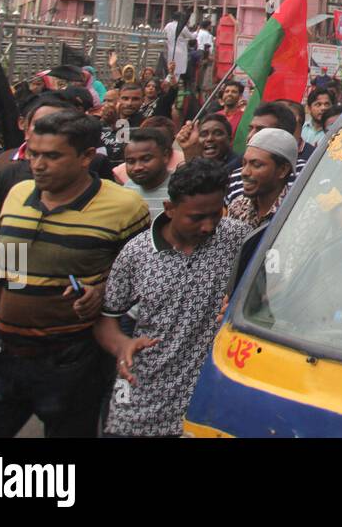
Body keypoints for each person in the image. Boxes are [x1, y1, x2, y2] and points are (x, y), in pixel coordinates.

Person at [0, 110, 149, 437]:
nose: (38, 164)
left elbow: (137, 277)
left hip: (74, 365)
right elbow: (1, 271)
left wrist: (100, 291)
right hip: (7, 355)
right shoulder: (16, 195)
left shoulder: (126, 207)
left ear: (86, 156)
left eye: (52, 156)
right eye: (34, 153)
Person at [96, 158, 250, 437]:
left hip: (204, 402)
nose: (208, 226)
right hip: (141, 397)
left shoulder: (237, 238)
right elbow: (107, 321)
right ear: (169, 209)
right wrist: (122, 345)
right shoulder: (136, 254)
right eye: (196, 217)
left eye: (215, 214)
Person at [226, 127, 297, 227]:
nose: (244, 172)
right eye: (244, 163)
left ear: (283, 170)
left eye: (256, 165)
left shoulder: (298, 212)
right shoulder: (238, 206)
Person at [101, 82, 145, 169]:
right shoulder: (106, 118)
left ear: (142, 101)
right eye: (125, 98)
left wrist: (113, 124)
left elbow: (128, 150)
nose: (129, 103)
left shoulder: (144, 123)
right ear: (118, 99)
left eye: (135, 99)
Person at [162, 11, 197, 86]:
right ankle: (171, 86)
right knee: (177, 71)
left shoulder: (168, 25)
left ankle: (167, 85)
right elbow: (192, 37)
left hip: (170, 50)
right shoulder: (182, 27)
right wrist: (197, 31)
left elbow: (164, 35)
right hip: (180, 51)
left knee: (171, 70)